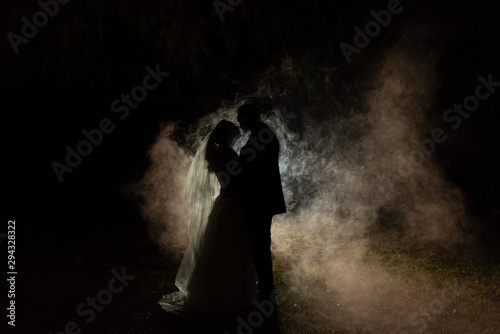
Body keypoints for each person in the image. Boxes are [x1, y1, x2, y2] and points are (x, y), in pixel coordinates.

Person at [158, 120, 257, 313]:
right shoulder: (226, 152)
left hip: (225, 202)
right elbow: (234, 179)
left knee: (219, 248)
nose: (237, 139)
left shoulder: (217, 152)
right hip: (230, 203)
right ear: (228, 135)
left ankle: (216, 290)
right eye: (235, 135)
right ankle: (228, 292)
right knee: (230, 247)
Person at [236, 104, 287, 301]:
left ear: (249, 117)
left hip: (259, 200)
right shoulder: (261, 133)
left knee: (259, 244)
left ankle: (266, 289)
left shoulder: (262, 136)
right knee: (259, 244)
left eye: (241, 117)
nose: (239, 122)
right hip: (261, 199)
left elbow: (253, 170)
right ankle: (266, 287)